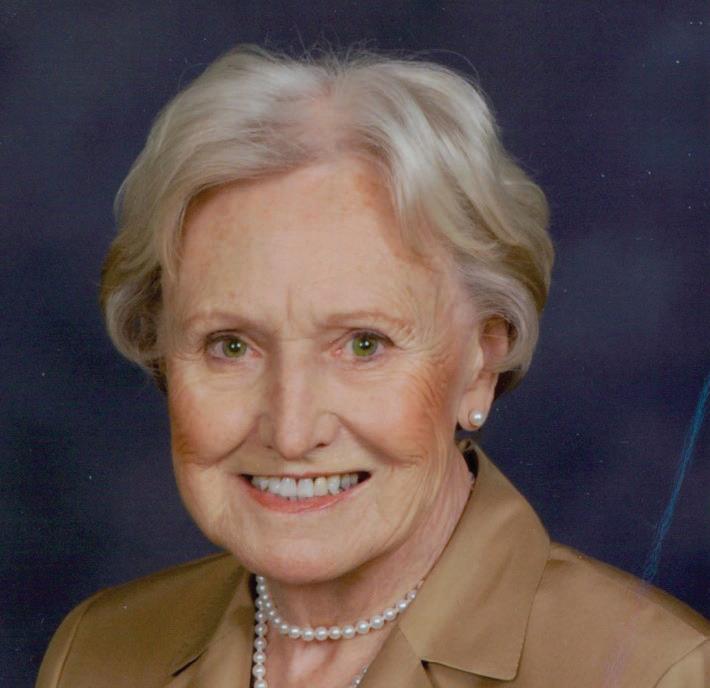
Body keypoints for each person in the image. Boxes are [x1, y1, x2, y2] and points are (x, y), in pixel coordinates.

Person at [36, 44, 708, 688]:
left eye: (363, 344)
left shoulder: (652, 674)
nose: (292, 432)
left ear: (481, 362)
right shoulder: (92, 656)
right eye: (231, 345)